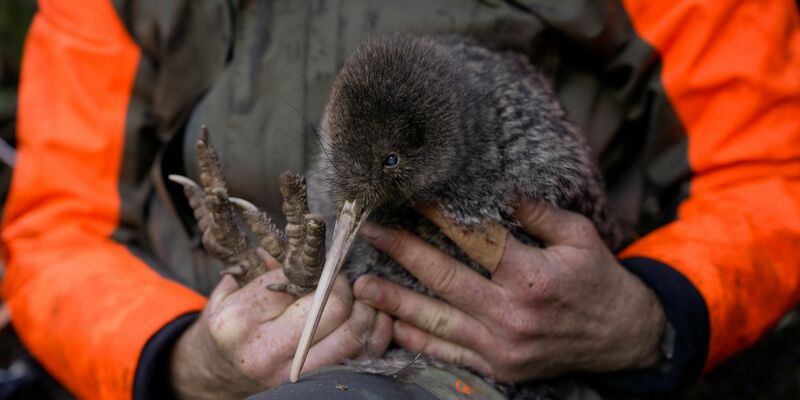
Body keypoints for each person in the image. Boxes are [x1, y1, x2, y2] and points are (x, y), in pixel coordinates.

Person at [2, 0, 799, 398]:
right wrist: (182, 359)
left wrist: (646, 313)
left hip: (525, 356)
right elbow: (56, 229)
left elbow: (770, 171)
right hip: (223, 349)